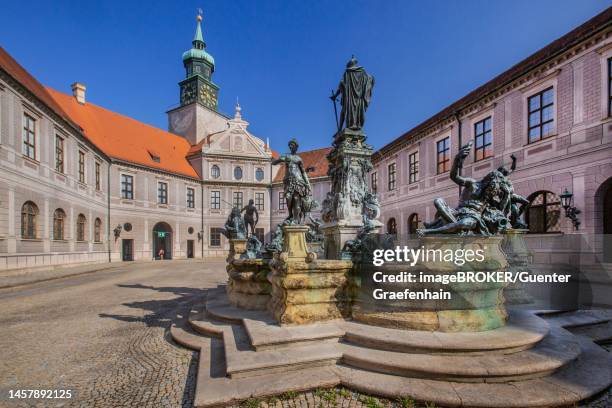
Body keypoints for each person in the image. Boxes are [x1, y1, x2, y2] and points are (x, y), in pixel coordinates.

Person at [272, 139, 312, 224]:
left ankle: (296, 219)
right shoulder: (286, 157)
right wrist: (274, 161)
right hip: (288, 181)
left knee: (297, 199)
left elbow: (303, 172)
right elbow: (276, 161)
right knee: (288, 198)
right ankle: (290, 214)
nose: (290, 146)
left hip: (298, 181)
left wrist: (308, 183)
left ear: (296, 147)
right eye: (290, 145)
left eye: (292, 145)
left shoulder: (299, 159)